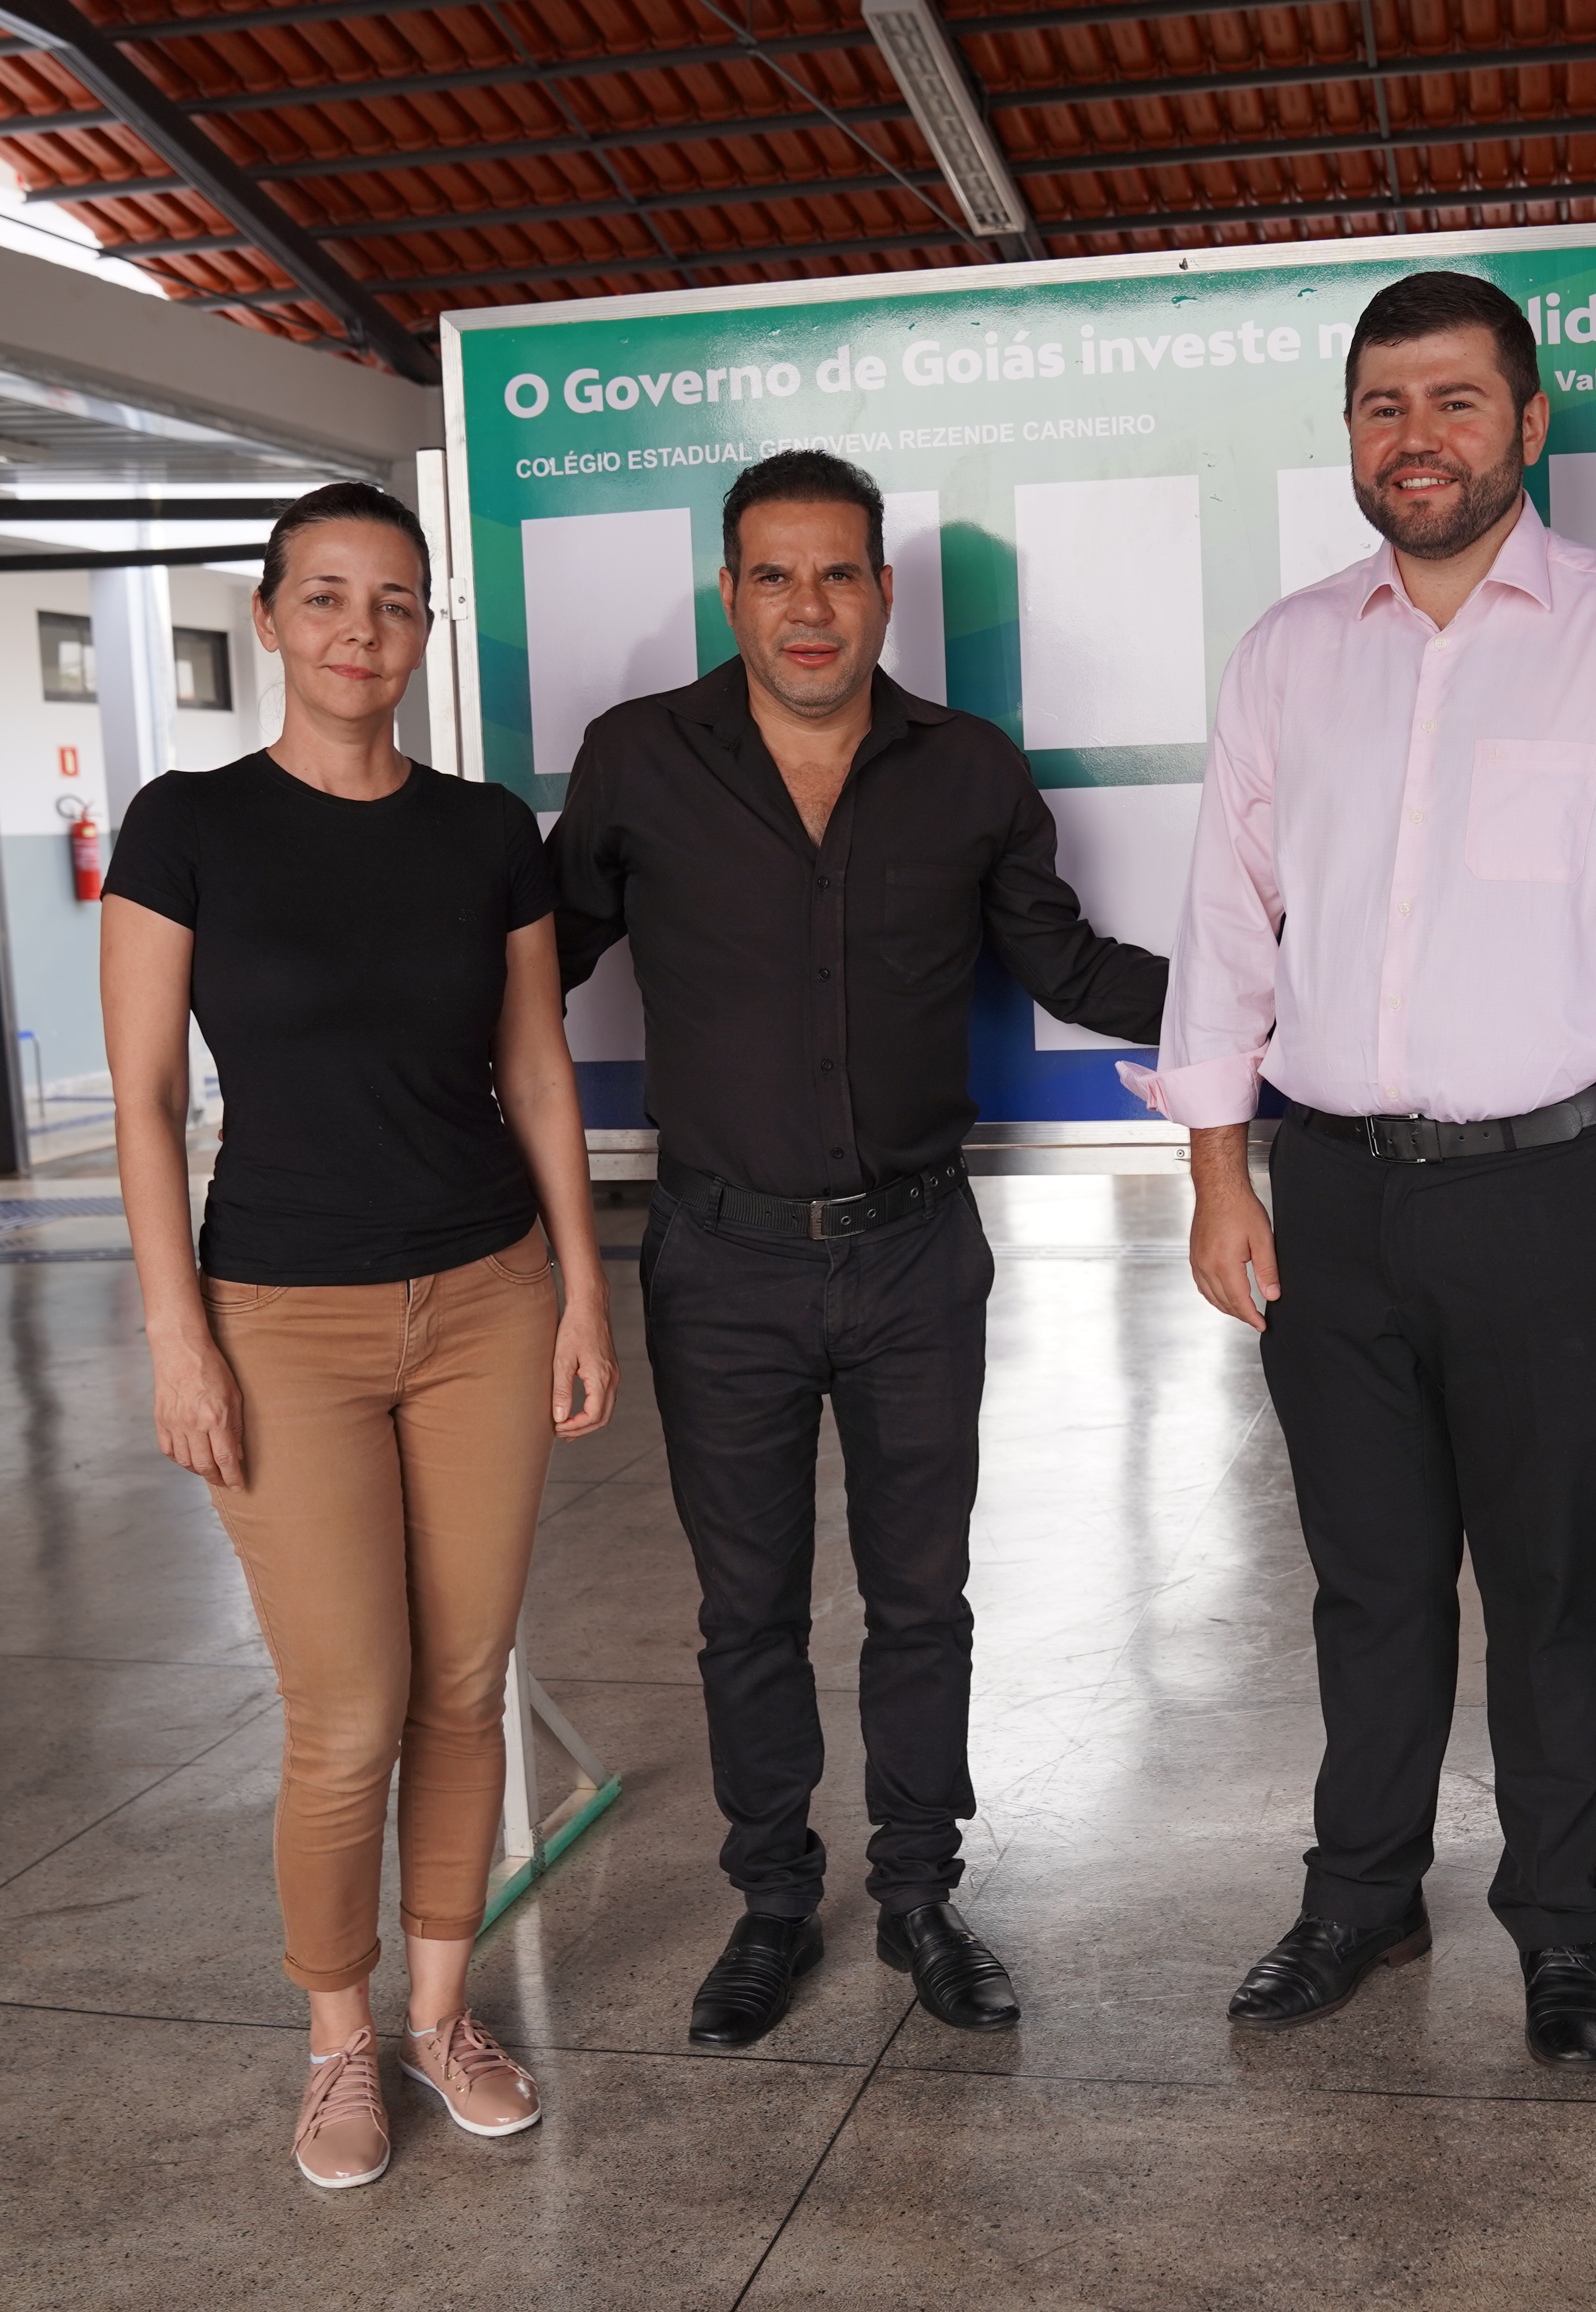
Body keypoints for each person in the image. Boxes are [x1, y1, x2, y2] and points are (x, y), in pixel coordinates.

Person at [1134, 270, 1596, 2070]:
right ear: (1347, 436)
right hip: (1332, 1193)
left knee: (1545, 1579)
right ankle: (1355, 1893)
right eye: (1379, 405)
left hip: (1549, 1192)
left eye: (1451, 402)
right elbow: (1225, 927)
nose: (1411, 438)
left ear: (1527, 425)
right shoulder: (1288, 655)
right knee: (1362, 1576)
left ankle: (1557, 1920)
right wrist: (1220, 1172)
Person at [549, 450, 1165, 2051]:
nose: (809, 608)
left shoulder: (965, 770)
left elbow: (1072, 966)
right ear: (731, 592)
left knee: (922, 1599)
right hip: (718, 1261)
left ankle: (917, 1897)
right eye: (775, 575)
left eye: (840, 575)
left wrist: (1301, 995)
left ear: (885, 592)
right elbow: (528, 959)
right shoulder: (639, 760)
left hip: (912, 1260)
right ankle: (769, 1904)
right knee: (745, 1607)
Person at [102, 482, 617, 2190]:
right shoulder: (186, 823)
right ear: (266, 620)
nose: (359, 633)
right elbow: (149, 1095)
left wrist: (579, 1286)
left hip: (484, 1295)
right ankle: (335, 2043)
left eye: (393, 604)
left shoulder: (485, 831)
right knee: (350, 1707)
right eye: (325, 599)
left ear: (422, 631)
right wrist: (178, 1336)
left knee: (464, 1685)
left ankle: (446, 2014)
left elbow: (536, 1068)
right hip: (279, 1315)